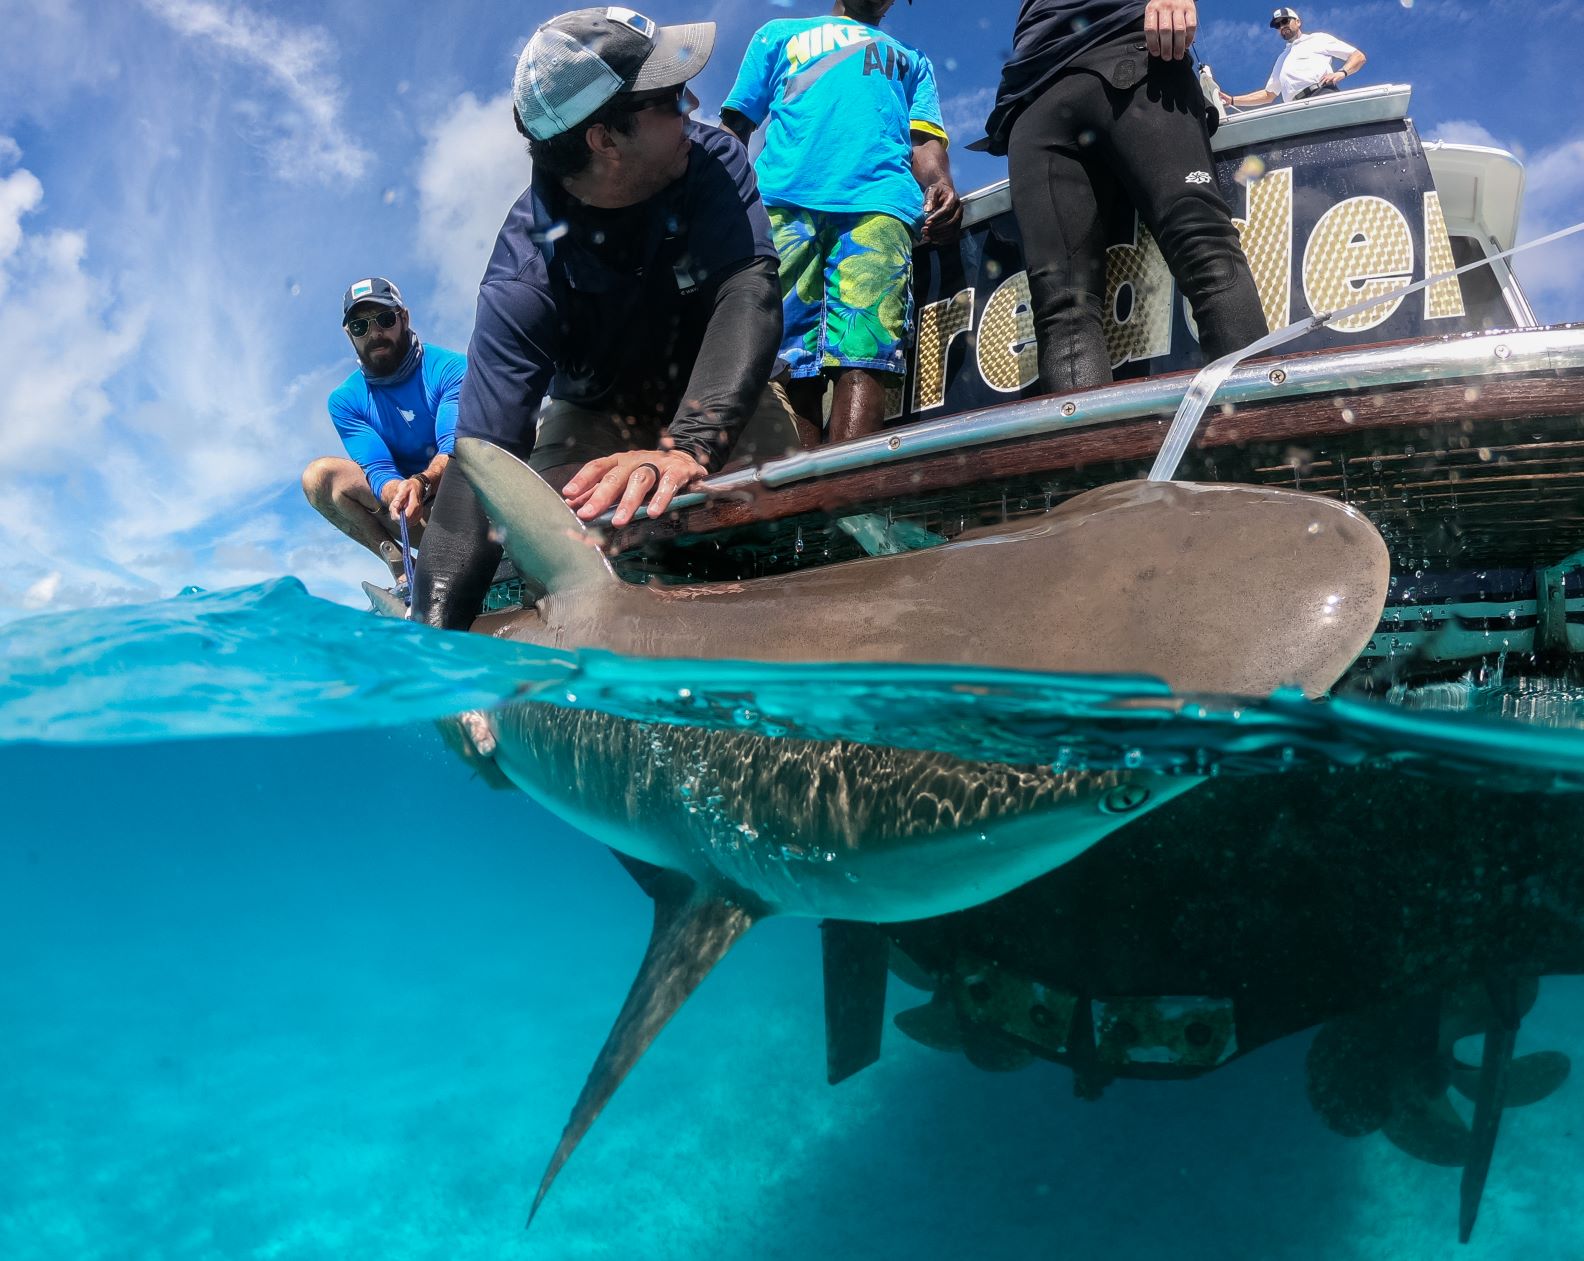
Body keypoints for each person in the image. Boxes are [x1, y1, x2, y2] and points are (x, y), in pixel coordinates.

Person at [412, 8, 794, 631]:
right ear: (605, 140)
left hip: (715, 384)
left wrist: (692, 445)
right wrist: (433, 647)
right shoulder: (522, 277)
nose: (694, 103)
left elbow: (748, 292)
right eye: (669, 97)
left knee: (781, 520)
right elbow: (482, 466)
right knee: (558, 536)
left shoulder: (713, 159)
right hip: (592, 412)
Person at [984, 0, 1269, 394]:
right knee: (1062, 308)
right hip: (1033, 95)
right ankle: (1090, 454)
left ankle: (1258, 448)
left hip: (1135, 46)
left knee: (1205, 251)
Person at [719, 0, 961, 446]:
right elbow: (734, 128)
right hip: (783, 211)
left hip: (879, 210)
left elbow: (923, 140)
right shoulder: (777, 34)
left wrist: (942, 181)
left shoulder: (913, 58)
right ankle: (800, 509)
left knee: (865, 356)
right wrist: (717, 203)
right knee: (787, 367)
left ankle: (848, 508)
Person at [302, 278, 467, 581]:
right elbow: (378, 468)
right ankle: (405, 571)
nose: (375, 333)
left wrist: (422, 482)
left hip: (466, 503)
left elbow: (454, 446)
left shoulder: (450, 367)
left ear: (404, 318)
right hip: (413, 515)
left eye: (385, 319)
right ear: (348, 333)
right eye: (360, 326)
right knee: (318, 477)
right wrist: (398, 492)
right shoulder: (344, 400)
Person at [1221, 8, 1365, 109]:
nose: (1282, 26)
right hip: (1295, 109)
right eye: (1278, 25)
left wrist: (1342, 72)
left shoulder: (1318, 39)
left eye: (1285, 21)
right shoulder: (1282, 59)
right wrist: (1233, 100)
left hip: (1322, 96)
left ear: (1298, 22)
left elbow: (1358, 56)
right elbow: (1269, 94)